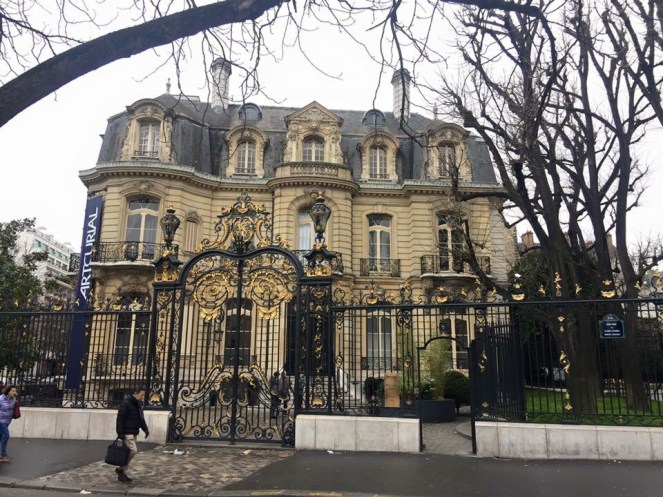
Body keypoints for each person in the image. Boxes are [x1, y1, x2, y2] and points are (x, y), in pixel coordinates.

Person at [115, 387, 149, 483]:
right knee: (133, 451)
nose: (143, 397)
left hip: (134, 432)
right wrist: (120, 433)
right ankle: (120, 469)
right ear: (136, 393)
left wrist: (145, 429)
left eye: (144, 395)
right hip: (127, 432)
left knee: (127, 452)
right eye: (141, 395)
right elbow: (120, 419)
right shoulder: (126, 403)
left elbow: (141, 419)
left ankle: (122, 473)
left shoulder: (138, 404)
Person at [0, 385, 18, 463]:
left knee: (1, 437)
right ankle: (3, 455)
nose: (14, 392)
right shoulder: (1, 399)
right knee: (6, 435)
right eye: (13, 391)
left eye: (15, 391)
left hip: (7, 421)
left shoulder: (13, 399)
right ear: (8, 391)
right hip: (1, 421)